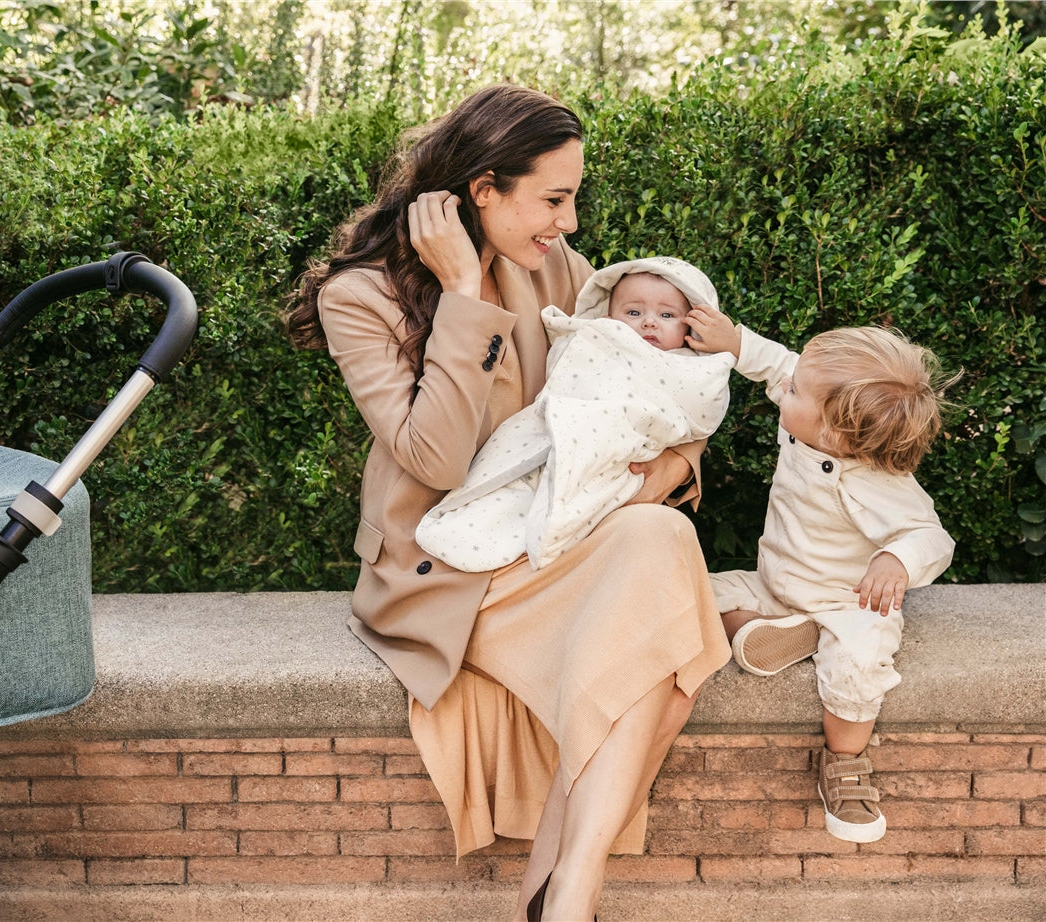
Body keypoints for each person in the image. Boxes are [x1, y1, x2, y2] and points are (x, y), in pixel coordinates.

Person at [287, 84, 730, 921]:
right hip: (447, 569)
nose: (568, 225)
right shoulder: (362, 299)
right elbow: (436, 458)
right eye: (554, 199)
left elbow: (666, 390)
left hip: (555, 542)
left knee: (659, 537)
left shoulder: (562, 271)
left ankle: (565, 896)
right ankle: (562, 901)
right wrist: (463, 292)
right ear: (483, 191)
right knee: (663, 664)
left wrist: (661, 475)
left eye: (574, 200)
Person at [686, 306, 957, 844]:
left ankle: (845, 764)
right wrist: (735, 340)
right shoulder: (813, 422)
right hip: (776, 585)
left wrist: (896, 559)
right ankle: (773, 635)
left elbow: (932, 536)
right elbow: (782, 367)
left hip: (847, 604)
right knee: (689, 595)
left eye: (797, 393)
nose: (786, 388)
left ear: (834, 430)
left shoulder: (877, 481)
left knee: (858, 666)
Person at [416, 257, 735, 573]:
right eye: (634, 313)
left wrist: (680, 462)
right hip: (543, 432)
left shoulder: (560, 261)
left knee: (655, 532)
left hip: (616, 452)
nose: (649, 322)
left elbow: (700, 400)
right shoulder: (600, 331)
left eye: (666, 315)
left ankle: (554, 524)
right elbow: (577, 360)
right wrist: (461, 291)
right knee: (512, 488)